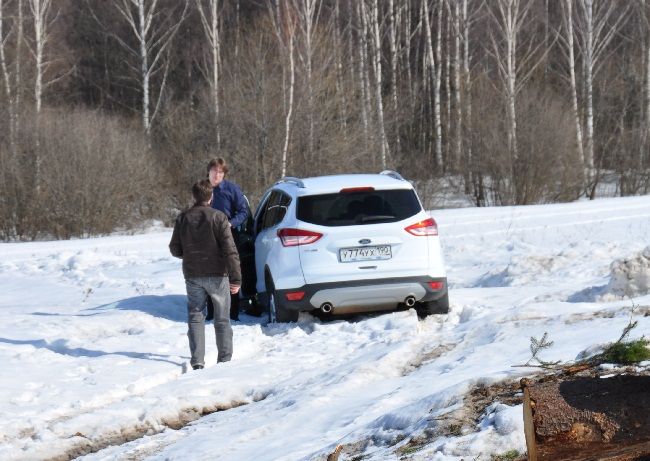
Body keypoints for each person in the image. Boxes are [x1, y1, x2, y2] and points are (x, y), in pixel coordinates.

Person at [169, 179, 241, 370]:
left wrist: (190, 255)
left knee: (195, 316)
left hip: (193, 275)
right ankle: (224, 361)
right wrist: (236, 278)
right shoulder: (219, 217)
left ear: (194, 196)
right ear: (211, 196)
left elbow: (174, 248)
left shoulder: (183, 218)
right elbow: (230, 250)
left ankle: (198, 361)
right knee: (222, 318)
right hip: (218, 274)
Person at [206, 157, 249, 321]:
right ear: (208, 171)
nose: (217, 174)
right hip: (207, 238)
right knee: (210, 274)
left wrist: (231, 224)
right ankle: (211, 314)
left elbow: (243, 212)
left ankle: (233, 314)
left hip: (229, 236)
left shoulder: (232, 189)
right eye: (214, 171)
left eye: (220, 172)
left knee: (232, 273)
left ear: (224, 174)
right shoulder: (203, 189)